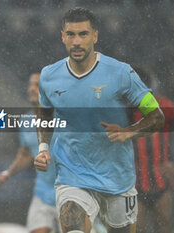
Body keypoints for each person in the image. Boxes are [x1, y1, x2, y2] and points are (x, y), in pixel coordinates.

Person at [33, 7, 165, 233]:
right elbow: (44, 113)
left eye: (83, 34)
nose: (76, 41)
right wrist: (43, 147)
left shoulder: (121, 73)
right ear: (62, 36)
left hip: (117, 180)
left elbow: (156, 117)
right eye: (71, 34)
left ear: (95, 36)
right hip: (72, 177)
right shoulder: (48, 76)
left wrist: (129, 131)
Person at [0, 73, 61, 233]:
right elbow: (26, 154)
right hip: (42, 192)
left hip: (69, 191)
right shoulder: (25, 121)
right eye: (31, 84)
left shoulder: (64, 118)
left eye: (37, 85)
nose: (32, 89)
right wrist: (8, 173)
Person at [131, 67, 174, 233]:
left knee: (163, 226)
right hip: (135, 184)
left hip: (161, 181)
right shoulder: (126, 110)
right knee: (138, 228)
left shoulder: (163, 105)